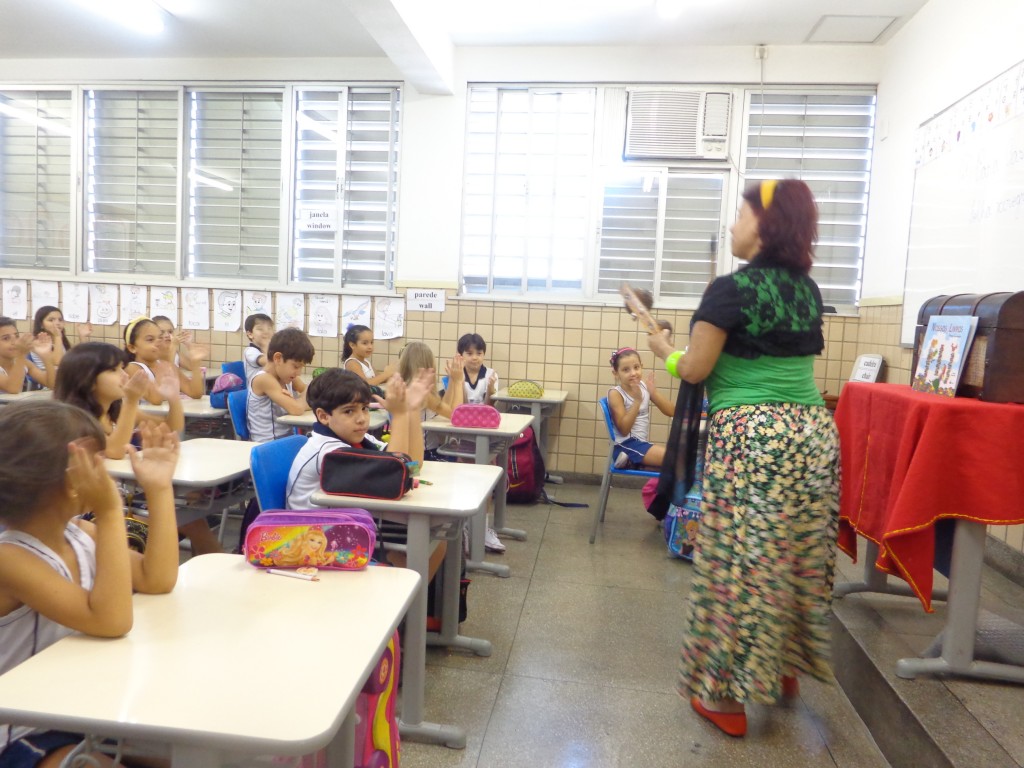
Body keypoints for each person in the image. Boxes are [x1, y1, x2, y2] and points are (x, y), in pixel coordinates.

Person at [642, 178, 839, 738]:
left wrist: (665, 351)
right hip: (813, 437)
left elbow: (697, 368)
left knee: (739, 564)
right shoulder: (807, 291)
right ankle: (782, 667)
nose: (732, 224)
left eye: (741, 213)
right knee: (794, 556)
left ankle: (725, 696)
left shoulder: (730, 291)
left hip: (755, 440)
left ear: (765, 224)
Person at [0, 400, 180, 767]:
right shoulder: (10, 558)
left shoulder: (79, 532)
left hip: (78, 705)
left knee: (181, 752)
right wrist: (110, 511)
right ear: (70, 483)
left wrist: (160, 489)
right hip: (20, 729)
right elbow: (111, 620)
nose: (107, 471)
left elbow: (156, 578)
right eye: (97, 463)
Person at [54, 342, 220, 556]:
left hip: (121, 501)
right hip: (87, 513)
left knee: (192, 516)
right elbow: (114, 451)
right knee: (188, 519)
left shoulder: (115, 412)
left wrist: (172, 397)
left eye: (122, 368)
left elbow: (171, 426)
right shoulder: (74, 419)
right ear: (87, 379)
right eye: (114, 370)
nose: (124, 375)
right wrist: (131, 400)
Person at [284, 367, 447, 578]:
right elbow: (396, 477)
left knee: (437, 538)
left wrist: (412, 411)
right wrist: (399, 415)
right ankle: (407, 597)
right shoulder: (328, 452)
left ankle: (412, 596)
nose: (361, 418)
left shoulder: (357, 439)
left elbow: (412, 465)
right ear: (323, 416)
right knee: (424, 542)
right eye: (349, 411)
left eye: (364, 408)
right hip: (316, 541)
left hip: (344, 524)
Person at [607, 347, 675, 468]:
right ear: (616, 373)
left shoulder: (643, 386)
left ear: (641, 367)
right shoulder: (616, 394)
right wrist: (637, 401)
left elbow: (672, 412)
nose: (633, 373)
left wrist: (654, 393)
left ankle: (632, 463)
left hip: (640, 445)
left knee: (678, 459)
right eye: (626, 370)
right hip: (624, 446)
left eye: (636, 367)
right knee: (674, 458)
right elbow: (624, 430)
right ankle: (631, 461)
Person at [397, 341, 464, 461]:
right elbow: (457, 416)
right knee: (455, 456)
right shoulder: (423, 394)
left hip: (408, 454)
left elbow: (443, 408)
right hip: (424, 455)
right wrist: (459, 382)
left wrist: (452, 381)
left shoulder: (405, 387)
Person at [247, 327, 313, 443]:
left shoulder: (287, 376)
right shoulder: (264, 379)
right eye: (296, 366)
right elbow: (297, 409)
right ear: (278, 358)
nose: (299, 373)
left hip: (284, 439)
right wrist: (299, 400)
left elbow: (312, 393)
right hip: (266, 444)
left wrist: (298, 400)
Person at [151, 315, 206, 399]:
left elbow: (196, 394)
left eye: (170, 332)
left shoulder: (175, 357)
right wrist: (173, 347)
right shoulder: (147, 361)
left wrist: (194, 357)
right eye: (161, 333)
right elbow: (162, 393)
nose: (167, 335)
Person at [0, 316, 52, 393]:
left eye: (17, 336)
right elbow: (13, 389)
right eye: (6, 338)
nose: (14, 342)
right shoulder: (20, 359)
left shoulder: (25, 363)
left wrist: (46, 357)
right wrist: (21, 354)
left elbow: (51, 384)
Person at [28, 305, 72, 387]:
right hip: (47, 383)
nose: (57, 323)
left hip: (64, 379)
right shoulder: (38, 341)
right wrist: (58, 337)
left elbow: (72, 359)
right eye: (51, 320)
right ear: (41, 324)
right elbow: (58, 362)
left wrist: (82, 337)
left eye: (60, 320)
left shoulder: (59, 339)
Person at [342, 324, 396, 389]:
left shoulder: (366, 362)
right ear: (352, 345)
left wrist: (393, 375)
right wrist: (386, 374)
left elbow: (379, 379)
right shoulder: (352, 363)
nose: (370, 347)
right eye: (365, 343)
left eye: (372, 342)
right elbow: (364, 384)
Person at [456, 332, 497, 404]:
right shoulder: (456, 374)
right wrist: (461, 383)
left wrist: (490, 389)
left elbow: (489, 405)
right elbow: (459, 405)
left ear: (484, 354)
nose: (474, 358)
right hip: (462, 411)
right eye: (469, 354)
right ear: (461, 355)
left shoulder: (491, 375)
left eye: (479, 353)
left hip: (485, 411)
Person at [243, 313, 274, 382]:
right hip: (257, 388)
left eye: (269, 328)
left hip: (271, 384)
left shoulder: (271, 349)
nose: (266, 332)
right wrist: (266, 346)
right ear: (250, 334)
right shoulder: (250, 351)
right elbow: (268, 362)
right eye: (260, 329)